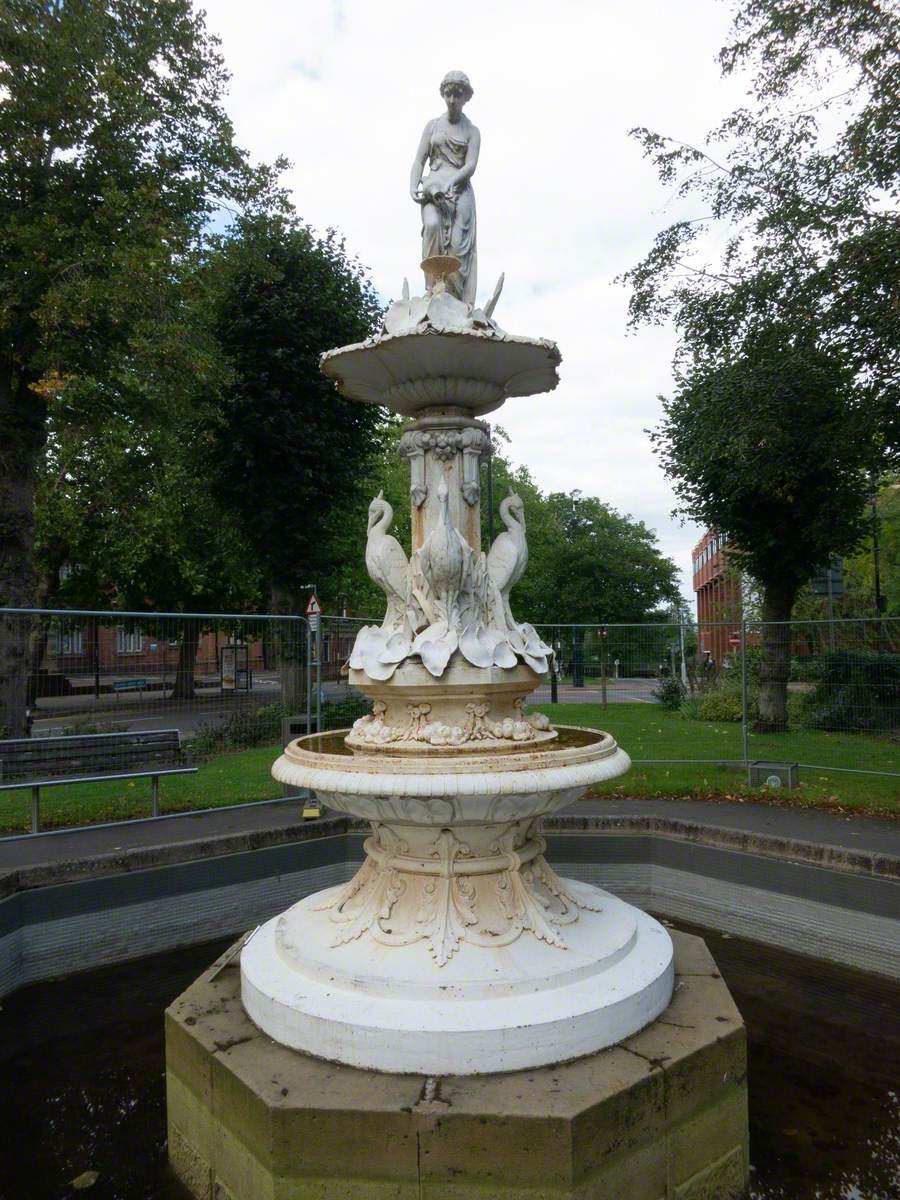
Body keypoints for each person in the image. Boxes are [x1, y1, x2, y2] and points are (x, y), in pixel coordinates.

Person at [409, 70, 479, 305]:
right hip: (433, 189)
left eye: (457, 95)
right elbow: (419, 159)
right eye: (448, 95)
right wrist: (413, 184)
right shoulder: (432, 126)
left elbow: (470, 165)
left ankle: (455, 303)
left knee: (458, 248)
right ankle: (432, 292)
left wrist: (452, 182)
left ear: (466, 97)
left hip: (460, 192)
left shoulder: (472, 132)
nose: (452, 100)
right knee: (431, 226)